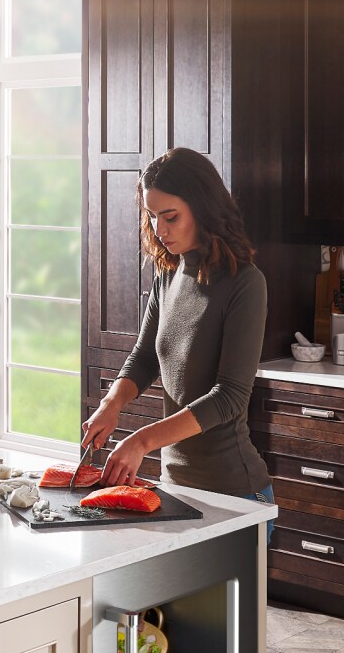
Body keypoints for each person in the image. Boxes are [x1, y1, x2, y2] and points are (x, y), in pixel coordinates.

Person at [79, 147, 272, 504]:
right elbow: (145, 357)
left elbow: (229, 397)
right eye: (152, 216)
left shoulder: (245, 283)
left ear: (203, 210)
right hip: (176, 487)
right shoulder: (168, 274)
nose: (159, 229)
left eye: (170, 217)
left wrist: (141, 440)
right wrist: (111, 403)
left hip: (236, 493)